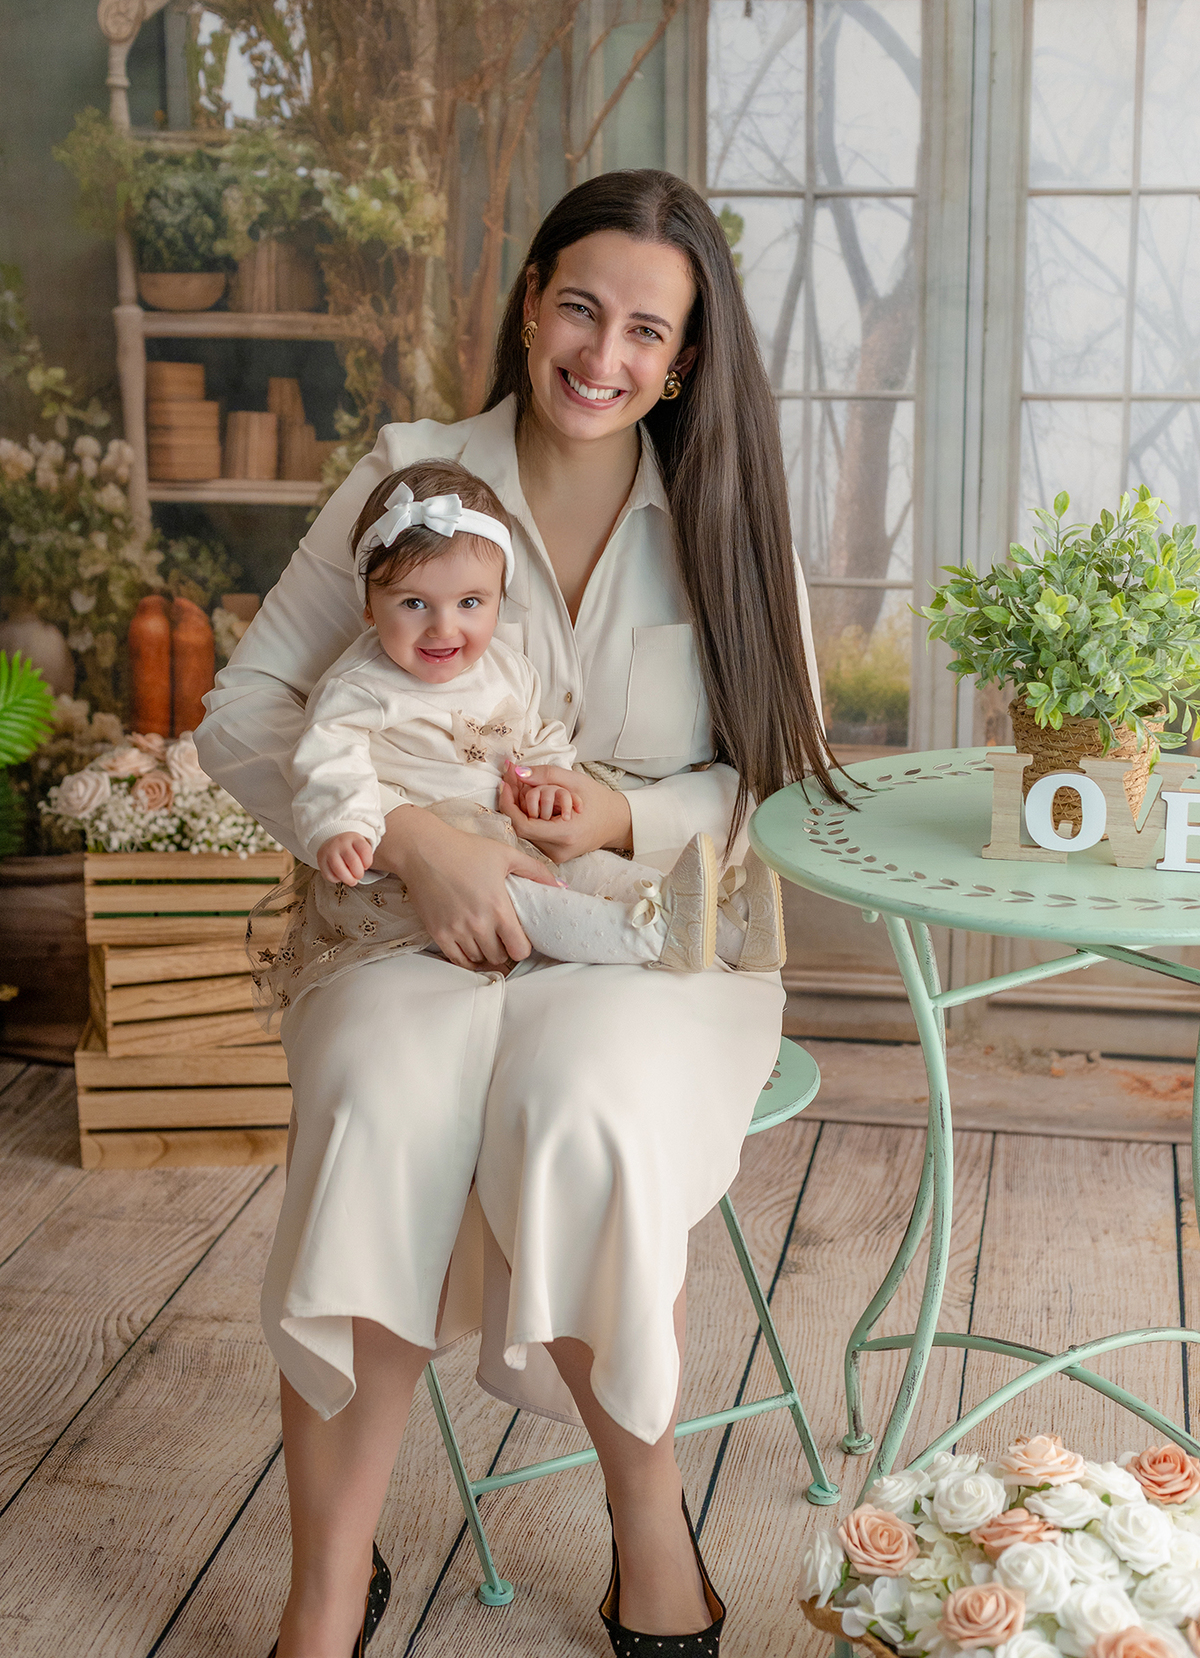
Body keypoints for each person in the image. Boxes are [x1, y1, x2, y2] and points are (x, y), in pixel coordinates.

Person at [195, 167, 842, 1658]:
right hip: (399, 927)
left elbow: (774, 779)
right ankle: (324, 1592)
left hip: (649, 940)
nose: (603, 356)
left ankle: (648, 1523)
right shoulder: (409, 479)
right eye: (580, 308)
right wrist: (415, 841)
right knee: (378, 1095)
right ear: (532, 297)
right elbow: (246, 712)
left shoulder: (728, 518)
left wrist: (618, 818)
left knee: (578, 1100)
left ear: (684, 358)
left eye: (646, 331)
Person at [254, 457, 787, 1017]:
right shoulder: (358, 687)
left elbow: (534, 739)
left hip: (512, 835)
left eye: (470, 603)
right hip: (425, 872)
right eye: (414, 603)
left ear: (498, 599)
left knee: (598, 871)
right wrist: (342, 825)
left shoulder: (508, 669)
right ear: (368, 605)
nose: (443, 627)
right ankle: (654, 937)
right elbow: (327, 761)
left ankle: (729, 931)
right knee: (533, 902)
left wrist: (551, 783)